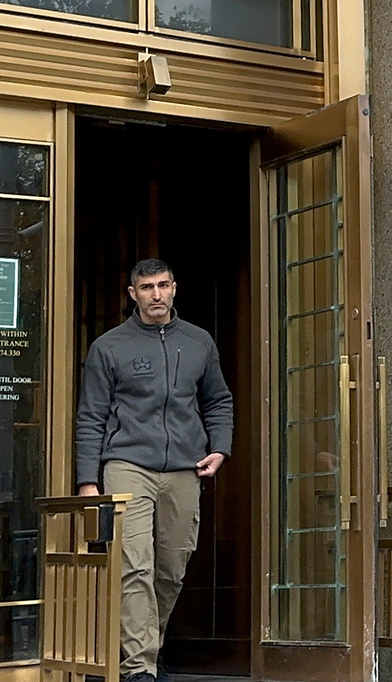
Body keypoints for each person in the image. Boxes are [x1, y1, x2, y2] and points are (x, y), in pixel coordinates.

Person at [75, 258, 233, 682]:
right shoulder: (109, 346)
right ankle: (138, 667)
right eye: (147, 288)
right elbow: (90, 416)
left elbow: (218, 400)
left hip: (184, 467)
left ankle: (146, 644)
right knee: (134, 566)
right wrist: (88, 480)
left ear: (175, 288)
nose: (156, 294)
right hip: (127, 463)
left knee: (171, 568)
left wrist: (220, 448)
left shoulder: (198, 342)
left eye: (163, 285)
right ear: (133, 294)